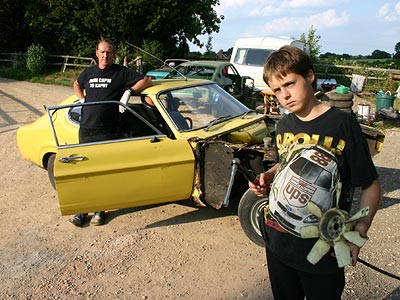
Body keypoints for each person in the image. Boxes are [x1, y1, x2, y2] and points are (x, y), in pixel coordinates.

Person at [248, 45, 381, 300]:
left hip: (323, 249)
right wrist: (269, 176)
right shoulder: (284, 124)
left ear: (309, 76)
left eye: (289, 84)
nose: (284, 95)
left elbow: (370, 184)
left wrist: (361, 228)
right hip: (278, 242)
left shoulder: (342, 124)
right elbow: (286, 163)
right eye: (277, 90)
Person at [70, 39, 153, 227]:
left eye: (108, 53)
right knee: (85, 172)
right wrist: (82, 99)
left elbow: (146, 80)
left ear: (113, 55)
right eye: (102, 52)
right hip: (86, 129)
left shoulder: (120, 72)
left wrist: (128, 92)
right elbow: (76, 83)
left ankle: (101, 209)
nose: (105, 56)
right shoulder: (88, 72)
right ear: (96, 53)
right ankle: (82, 210)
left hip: (109, 130)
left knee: (103, 172)